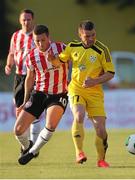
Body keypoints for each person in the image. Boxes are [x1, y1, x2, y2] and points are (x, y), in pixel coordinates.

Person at [50, 20, 115, 168]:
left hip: (95, 93)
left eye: (93, 35)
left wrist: (95, 81)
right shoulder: (72, 46)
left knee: (101, 129)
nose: (91, 38)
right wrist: (52, 59)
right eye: (87, 36)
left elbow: (111, 73)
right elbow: (58, 62)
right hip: (76, 88)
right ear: (80, 35)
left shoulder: (102, 50)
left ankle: (101, 160)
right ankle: (79, 152)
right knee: (78, 115)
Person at [14, 24, 68, 165]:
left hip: (58, 95)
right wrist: (25, 101)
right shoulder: (31, 56)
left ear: (48, 37)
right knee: (18, 130)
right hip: (39, 93)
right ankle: (28, 147)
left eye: (43, 40)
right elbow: (29, 78)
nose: (40, 43)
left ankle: (32, 153)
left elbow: (71, 62)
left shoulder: (61, 48)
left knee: (50, 124)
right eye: (37, 41)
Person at [5, 9, 41, 145]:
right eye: (23, 19)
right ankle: (26, 145)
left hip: (34, 76)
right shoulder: (15, 36)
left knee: (32, 109)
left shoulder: (37, 35)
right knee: (19, 109)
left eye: (28, 19)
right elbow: (11, 53)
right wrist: (8, 65)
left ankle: (33, 144)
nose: (26, 22)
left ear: (33, 20)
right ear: (20, 21)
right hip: (19, 76)